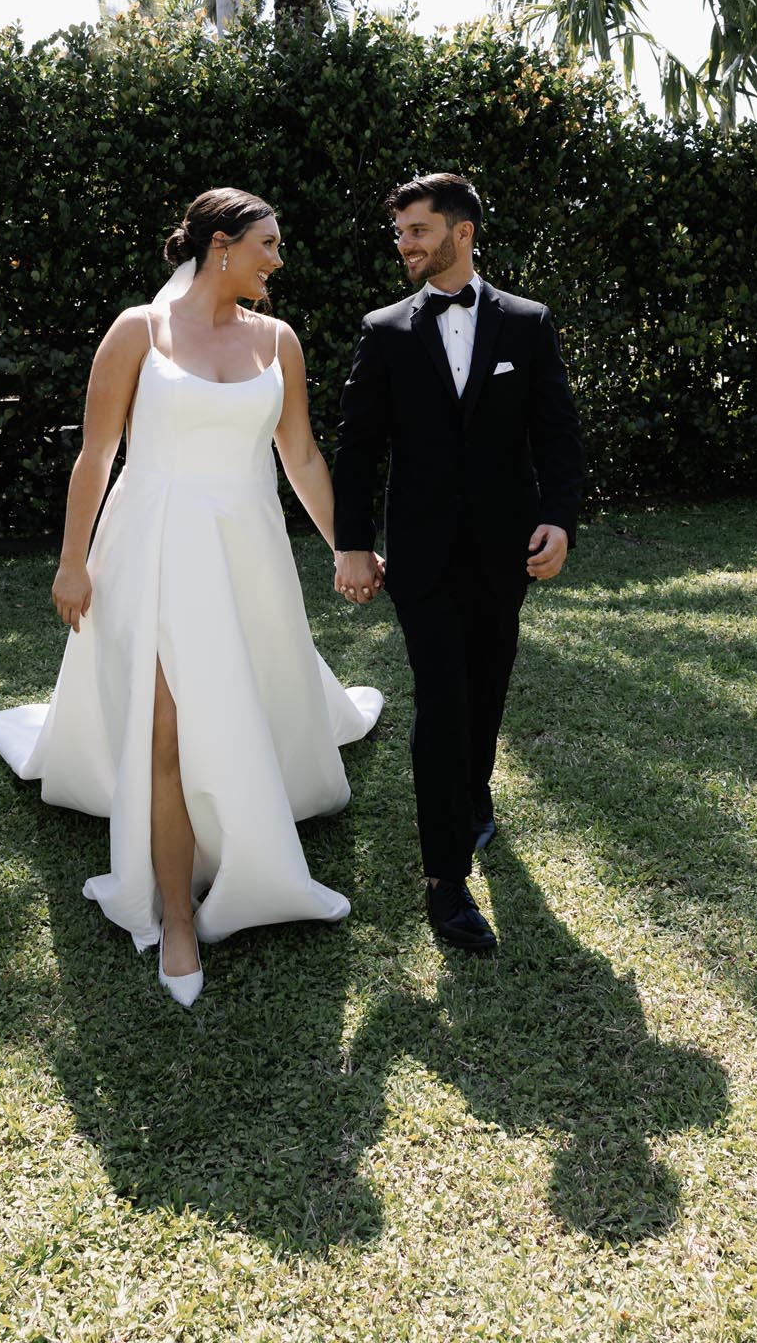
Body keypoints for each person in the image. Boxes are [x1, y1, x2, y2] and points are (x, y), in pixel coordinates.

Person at [0, 188, 383, 1008]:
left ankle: (235, 847)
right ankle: (175, 914)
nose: (278, 259)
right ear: (222, 244)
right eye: (267, 244)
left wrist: (347, 543)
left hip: (246, 548)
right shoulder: (139, 329)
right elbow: (96, 456)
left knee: (228, 701)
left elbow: (298, 454)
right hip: (154, 546)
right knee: (165, 726)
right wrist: (71, 562)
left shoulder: (279, 339)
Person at [331, 173, 584, 955]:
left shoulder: (527, 323)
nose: (403, 244)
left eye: (416, 230)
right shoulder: (384, 329)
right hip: (421, 556)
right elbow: (358, 445)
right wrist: (349, 541)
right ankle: (444, 880)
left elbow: (557, 434)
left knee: (486, 686)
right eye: (400, 232)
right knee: (442, 703)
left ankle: (472, 797)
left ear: (460, 232)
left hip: (506, 552)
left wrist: (558, 520)